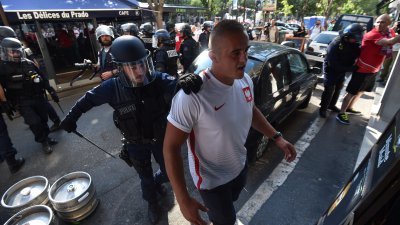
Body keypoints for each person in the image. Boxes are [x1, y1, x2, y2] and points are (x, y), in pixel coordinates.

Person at [163, 20, 297, 225]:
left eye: (246, 50)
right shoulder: (192, 96)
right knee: (225, 220)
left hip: (239, 167)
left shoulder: (244, 81)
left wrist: (277, 138)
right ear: (213, 57)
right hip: (211, 182)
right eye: (235, 53)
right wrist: (182, 200)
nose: (244, 59)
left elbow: (250, 110)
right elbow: (171, 148)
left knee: (231, 207)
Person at [59, 35, 202, 224]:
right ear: (120, 68)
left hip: (161, 139)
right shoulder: (111, 87)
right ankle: (152, 202)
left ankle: (157, 183)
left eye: (142, 64)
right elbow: (87, 100)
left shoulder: (158, 80)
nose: (139, 71)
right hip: (135, 143)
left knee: (167, 173)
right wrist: (71, 118)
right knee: (145, 178)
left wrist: (189, 79)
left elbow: (177, 83)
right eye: (132, 67)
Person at [336, 14, 400, 125]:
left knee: (361, 91)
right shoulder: (373, 34)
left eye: (383, 22)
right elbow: (389, 42)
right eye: (378, 21)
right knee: (351, 92)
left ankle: (349, 108)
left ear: (388, 24)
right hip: (362, 69)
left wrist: (395, 30)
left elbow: (393, 37)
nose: (379, 24)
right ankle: (341, 113)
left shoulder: (389, 33)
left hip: (373, 70)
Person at [0, 37, 58, 154]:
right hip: (22, 101)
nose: (15, 54)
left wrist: (51, 91)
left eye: (17, 51)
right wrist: (5, 102)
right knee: (34, 122)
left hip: (37, 96)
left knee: (43, 119)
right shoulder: (2, 67)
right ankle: (43, 142)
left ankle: (47, 137)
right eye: (12, 51)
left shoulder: (28, 63)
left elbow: (43, 78)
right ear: (6, 52)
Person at [319, 23, 364, 118]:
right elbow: (333, 64)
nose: (356, 40)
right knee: (329, 88)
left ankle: (331, 105)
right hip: (331, 69)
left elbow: (358, 52)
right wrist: (350, 69)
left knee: (339, 87)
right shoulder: (336, 44)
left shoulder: (353, 43)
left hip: (342, 69)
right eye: (355, 38)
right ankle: (323, 109)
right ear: (348, 36)